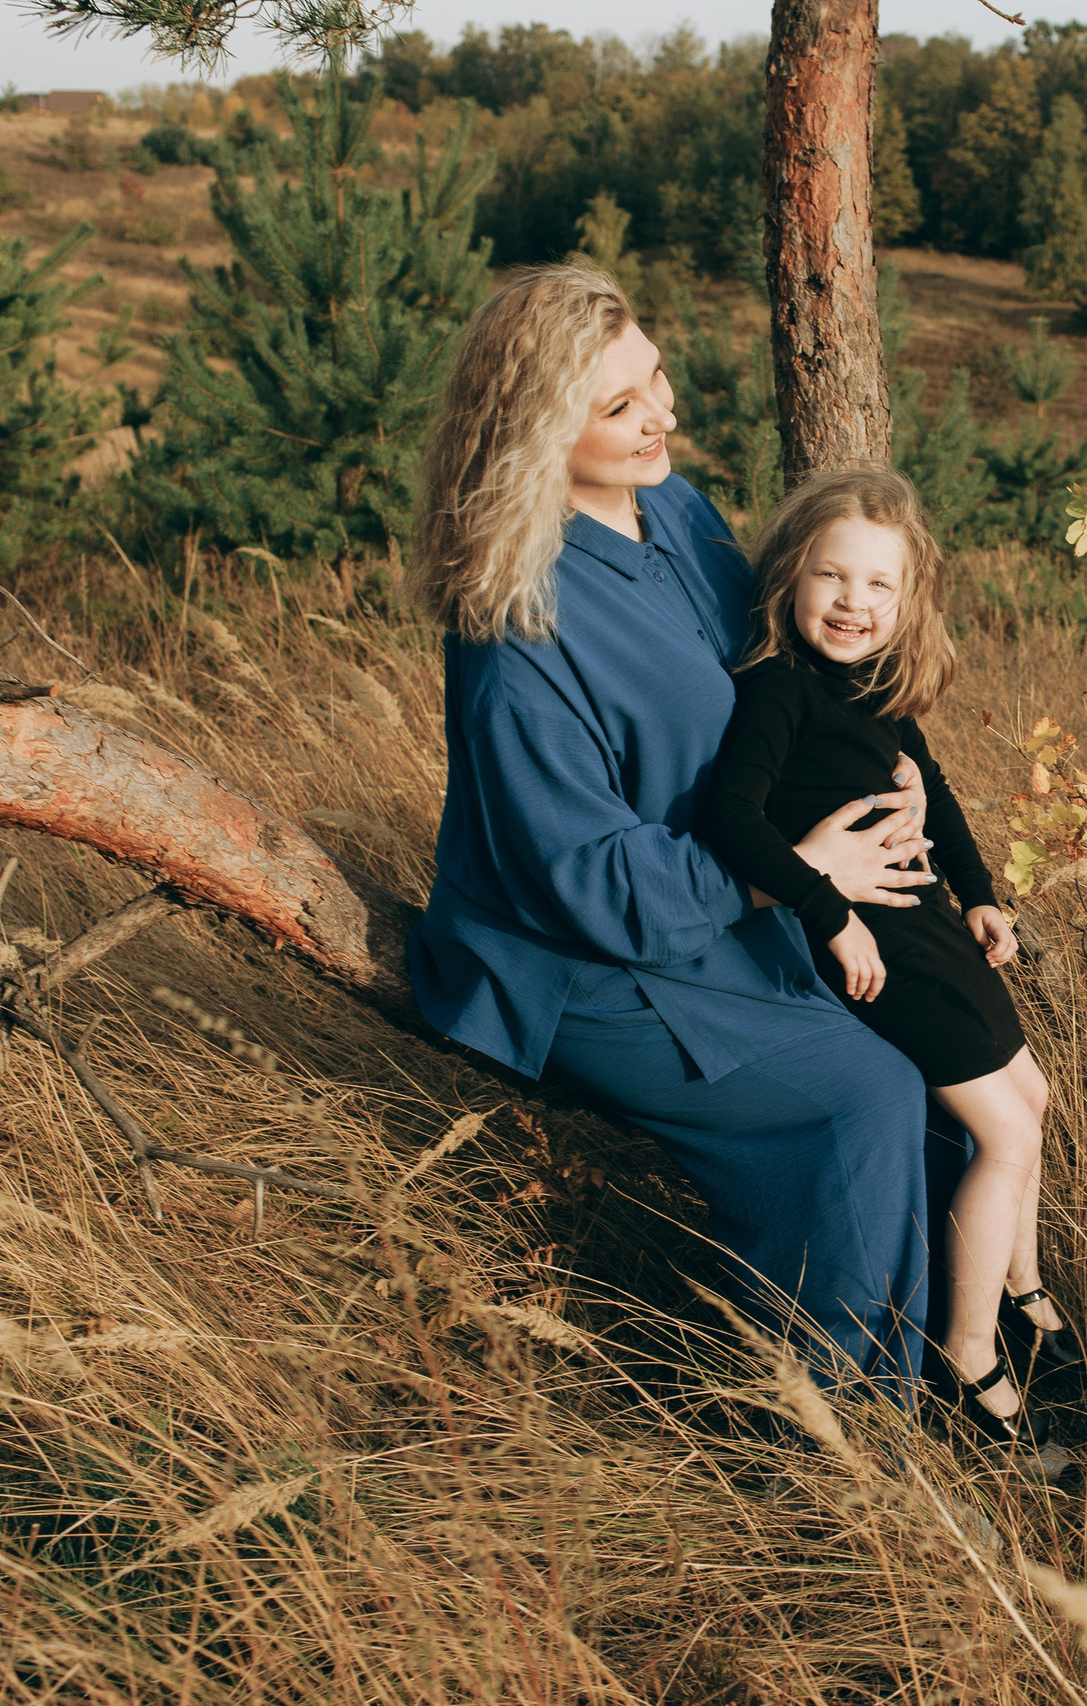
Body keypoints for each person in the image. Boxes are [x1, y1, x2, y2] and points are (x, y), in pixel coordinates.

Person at [404, 265, 944, 1399]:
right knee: (863, 1098)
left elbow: (783, 686)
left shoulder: (680, 512)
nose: (662, 417)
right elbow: (583, 883)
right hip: (582, 962)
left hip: (736, 888)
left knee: (942, 1049)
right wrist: (799, 873)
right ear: (539, 431)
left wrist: (884, 775)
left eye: (653, 381)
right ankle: (831, 1452)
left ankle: (948, 1375)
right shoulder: (519, 625)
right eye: (620, 407)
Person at [700, 467, 1083, 1448]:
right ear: (791, 575)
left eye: (877, 586)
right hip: (873, 946)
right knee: (1002, 1134)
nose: (853, 604)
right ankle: (966, 1356)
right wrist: (829, 911)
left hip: (926, 928)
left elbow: (937, 797)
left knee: (1030, 1100)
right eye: (832, 578)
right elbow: (729, 814)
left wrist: (984, 894)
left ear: (907, 599)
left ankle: (1019, 1287)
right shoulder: (777, 690)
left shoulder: (873, 690)